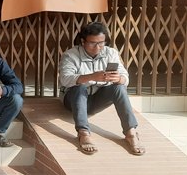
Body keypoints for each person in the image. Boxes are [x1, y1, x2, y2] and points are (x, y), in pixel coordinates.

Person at [59, 21, 145, 155]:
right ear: (83, 41)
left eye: (101, 42)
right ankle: (83, 133)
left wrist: (119, 79)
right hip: (74, 99)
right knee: (79, 87)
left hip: (97, 100)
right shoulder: (70, 55)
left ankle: (131, 133)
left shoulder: (110, 53)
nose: (98, 47)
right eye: (93, 43)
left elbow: (125, 77)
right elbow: (65, 79)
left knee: (119, 88)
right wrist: (92, 76)